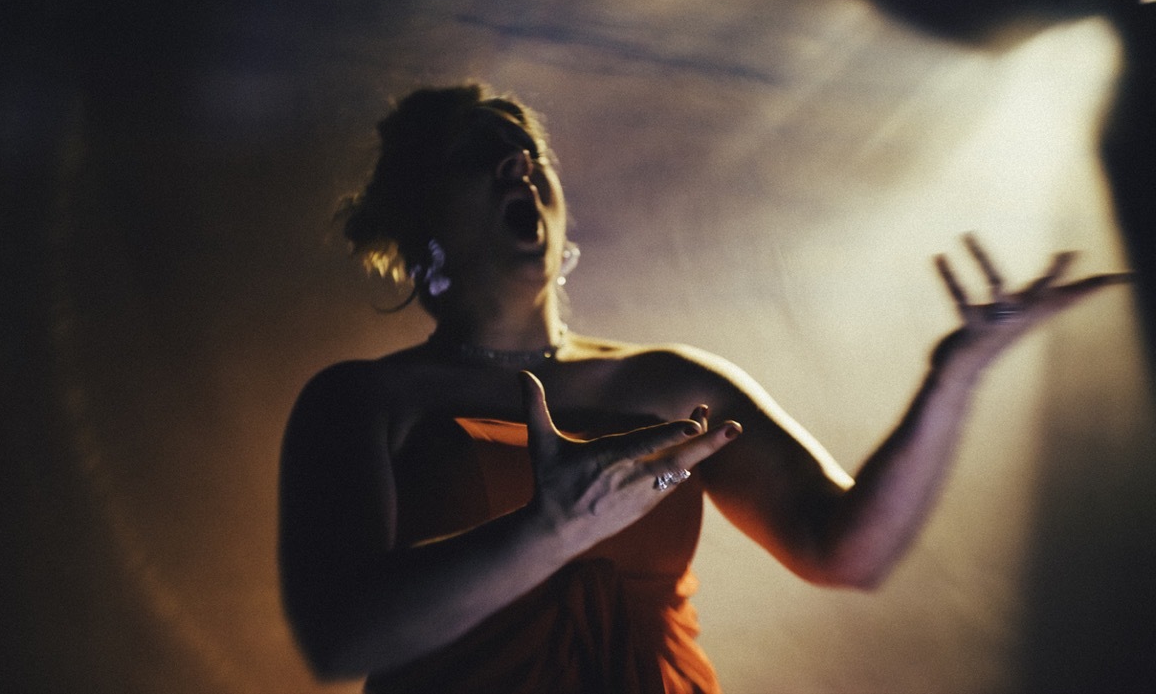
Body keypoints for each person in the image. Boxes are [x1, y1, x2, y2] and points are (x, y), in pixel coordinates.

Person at [277, 83, 1129, 693]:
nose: (516, 162)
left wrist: (955, 378)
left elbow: (846, 549)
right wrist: (551, 527)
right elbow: (339, 636)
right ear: (418, 220)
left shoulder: (668, 381)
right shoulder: (363, 401)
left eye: (527, 149)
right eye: (480, 151)